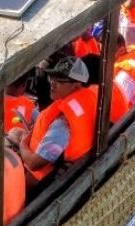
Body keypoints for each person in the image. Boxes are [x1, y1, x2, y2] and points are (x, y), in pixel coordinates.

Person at [7, 56, 98, 188]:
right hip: (74, 166)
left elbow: (34, 163)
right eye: (52, 78)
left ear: (77, 84)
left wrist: (22, 144)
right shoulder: (89, 98)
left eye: (60, 81)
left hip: (41, 183)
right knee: (15, 132)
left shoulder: (62, 124)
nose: (52, 84)